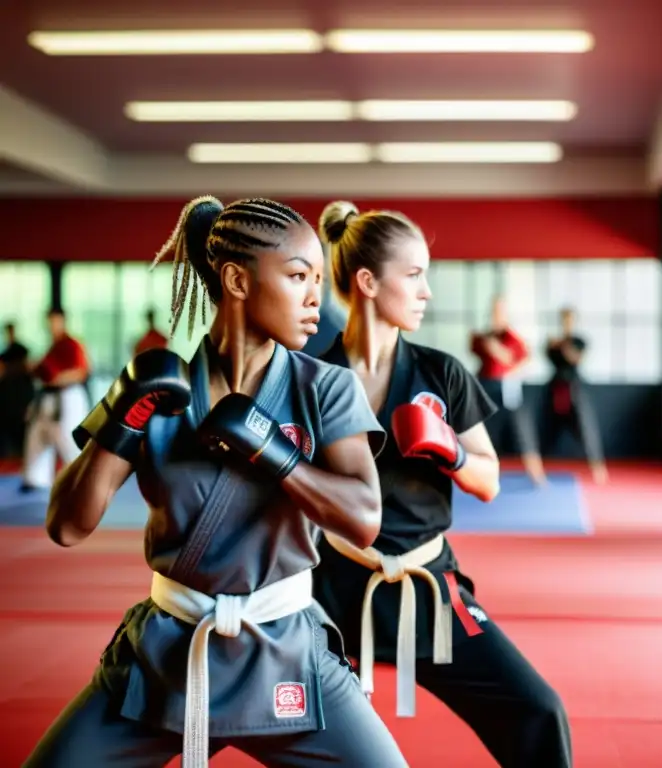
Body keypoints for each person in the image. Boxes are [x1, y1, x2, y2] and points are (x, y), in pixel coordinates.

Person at [26, 196, 408, 768]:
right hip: (170, 653)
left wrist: (277, 455)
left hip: (286, 649)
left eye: (317, 280)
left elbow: (364, 519)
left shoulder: (324, 387)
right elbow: (67, 526)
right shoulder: (160, 392)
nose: (315, 299)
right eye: (298, 276)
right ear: (236, 279)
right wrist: (122, 417)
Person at [314, 201, 572, 768]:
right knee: (274, 722)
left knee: (538, 711)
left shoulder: (441, 373)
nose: (427, 290)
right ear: (367, 282)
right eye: (414, 275)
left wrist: (450, 450)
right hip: (328, 592)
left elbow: (489, 481)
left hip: (427, 584)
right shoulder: (312, 378)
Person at [470, 294, 546, 485]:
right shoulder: (485, 337)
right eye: (494, 311)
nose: (497, 315)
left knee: (523, 433)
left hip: (507, 390)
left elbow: (522, 360)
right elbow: (475, 352)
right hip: (485, 388)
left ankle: (536, 475)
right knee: (482, 434)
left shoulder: (512, 338)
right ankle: (479, 475)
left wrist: (500, 354)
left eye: (500, 311)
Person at [20, 309, 91, 493]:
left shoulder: (72, 344)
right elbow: (42, 373)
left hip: (67, 397)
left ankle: (81, 481)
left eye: (55, 321)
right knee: (37, 435)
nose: (52, 325)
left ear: (62, 321)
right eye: (49, 321)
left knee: (68, 440)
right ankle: (35, 479)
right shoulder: (53, 347)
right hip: (48, 397)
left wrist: (56, 379)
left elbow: (80, 372)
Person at [543, 307, 607, 484]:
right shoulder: (554, 342)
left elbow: (577, 359)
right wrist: (553, 346)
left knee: (586, 428)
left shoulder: (579, 341)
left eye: (569, 319)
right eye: (564, 320)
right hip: (555, 388)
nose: (567, 323)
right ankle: (538, 471)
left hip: (574, 389)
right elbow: (548, 358)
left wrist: (564, 347)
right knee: (547, 429)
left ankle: (598, 468)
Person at [0, 322, 33, 459]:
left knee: (21, 431)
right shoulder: (5, 354)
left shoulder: (21, 351)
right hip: (7, 399)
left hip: (20, 398)